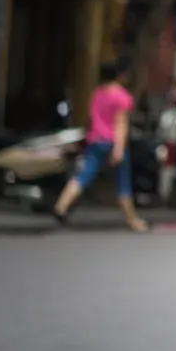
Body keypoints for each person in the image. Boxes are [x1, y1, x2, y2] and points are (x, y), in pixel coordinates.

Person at [53, 60, 149, 232]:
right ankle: (132, 220)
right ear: (122, 76)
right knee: (123, 183)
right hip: (112, 142)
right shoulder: (122, 96)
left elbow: (90, 119)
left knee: (83, 175)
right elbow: (120, 124)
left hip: (95, 140)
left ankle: (61, 206)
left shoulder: (97, 93)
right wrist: (118, 149)